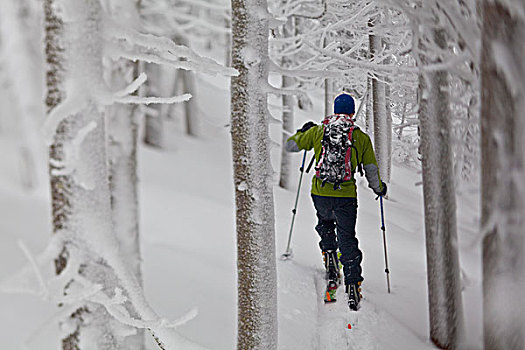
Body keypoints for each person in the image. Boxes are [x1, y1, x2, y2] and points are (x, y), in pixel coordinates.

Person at [285, 93, 386, 311]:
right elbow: (370, 170)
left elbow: (290, 146)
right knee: (347, 237)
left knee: (325, 226)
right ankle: (352, 286)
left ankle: (331, 265)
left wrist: (302, 133)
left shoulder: (319, 131)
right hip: (346, 197)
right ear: (351, 112)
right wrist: (379, 189)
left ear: (334, 110)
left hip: (320, 193)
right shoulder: (360, 138)